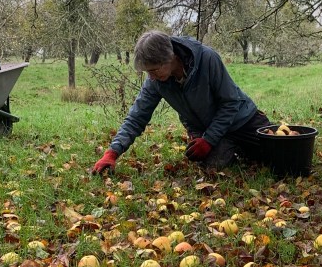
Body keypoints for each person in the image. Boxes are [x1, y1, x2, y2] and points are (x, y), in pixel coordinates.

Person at [92, 31, 272, 173]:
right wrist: (112, 153)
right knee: (214, 167)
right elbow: (136, 117)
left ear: (170, 58)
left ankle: (246, 147)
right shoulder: (156, 81)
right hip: (208, 130)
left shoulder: (207, 59)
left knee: (277, 155)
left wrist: (209, 140)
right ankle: (233, 148)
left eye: (154, 70)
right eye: (148, 72)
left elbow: (231, 103)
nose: (151, 77)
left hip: (242, 120)